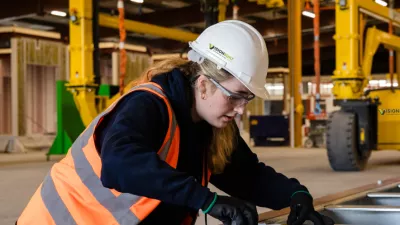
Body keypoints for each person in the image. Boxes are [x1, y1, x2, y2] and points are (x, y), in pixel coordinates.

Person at [17, 20, 332, 225]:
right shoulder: (148, 104)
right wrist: (206, 201)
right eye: (235, 96)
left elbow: (244, 175)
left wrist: (294, 195)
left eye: (246, 99)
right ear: (204, 83)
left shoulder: (211, 122)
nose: (240, 110)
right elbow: (121, 163)